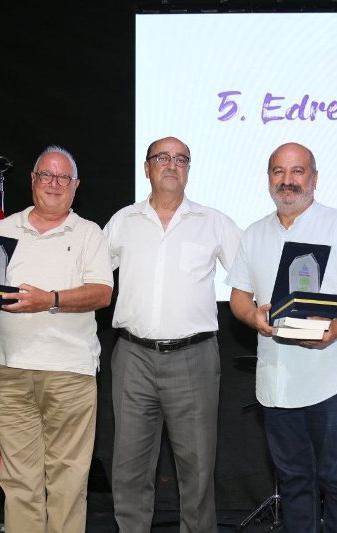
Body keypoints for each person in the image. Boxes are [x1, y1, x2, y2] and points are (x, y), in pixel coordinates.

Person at [0, 145, 113, 533]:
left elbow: (102, 293)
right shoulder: (1, 231)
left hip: (69, 372)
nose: (54, 184)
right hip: (10, 370)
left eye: (63, 177)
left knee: (68, 481)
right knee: (18, 481)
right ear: (32, 180)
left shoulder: (90, 233)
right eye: (46, 175)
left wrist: (50, 300)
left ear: (76, 185)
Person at [226, 142, 337, 532]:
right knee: (294, 485)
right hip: (278, 383)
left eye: (297, 171)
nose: (288, 180)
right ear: (269, 178)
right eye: (278, 171)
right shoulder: (254, 234)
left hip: (333, 378)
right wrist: (253, 316)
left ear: (314, 178)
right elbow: (239, 296)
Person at [103, 136, 242, 533]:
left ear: (188, 170)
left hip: (194, 358)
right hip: (133, 357)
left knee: (197, 471)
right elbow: (90, 274)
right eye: (162, 157)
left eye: (181, 159)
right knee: (129, 468)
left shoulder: (214, 222)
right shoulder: (123, 221)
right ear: (146, 168)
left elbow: (253, 275)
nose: (172, 165)